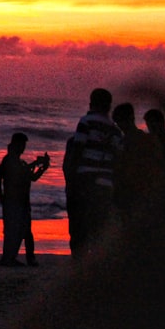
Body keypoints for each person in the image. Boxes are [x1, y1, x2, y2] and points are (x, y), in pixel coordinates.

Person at [63, 88, 121, 258]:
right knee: (97, 226)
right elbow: (117, 157)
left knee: (79, 226)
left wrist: (71, 180)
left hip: (85, 180)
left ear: (92, 102)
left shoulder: (86, 122)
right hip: (105, 183)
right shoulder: (115, 130)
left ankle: (78, 263)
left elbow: (78, 150)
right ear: (109, 106)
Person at [0, 132, 49, 267]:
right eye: (21, 144)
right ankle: (9, 258)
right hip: (12, 201)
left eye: (24, 145)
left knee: (24, 231)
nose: (23, 147)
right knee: (12, 231)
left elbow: (33, 177)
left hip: (22, 202)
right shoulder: (9, 160)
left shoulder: (20, 162)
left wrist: (42, 168)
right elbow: (0, 177)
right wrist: (1, 196)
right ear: (15, 145)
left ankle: (25, 258)